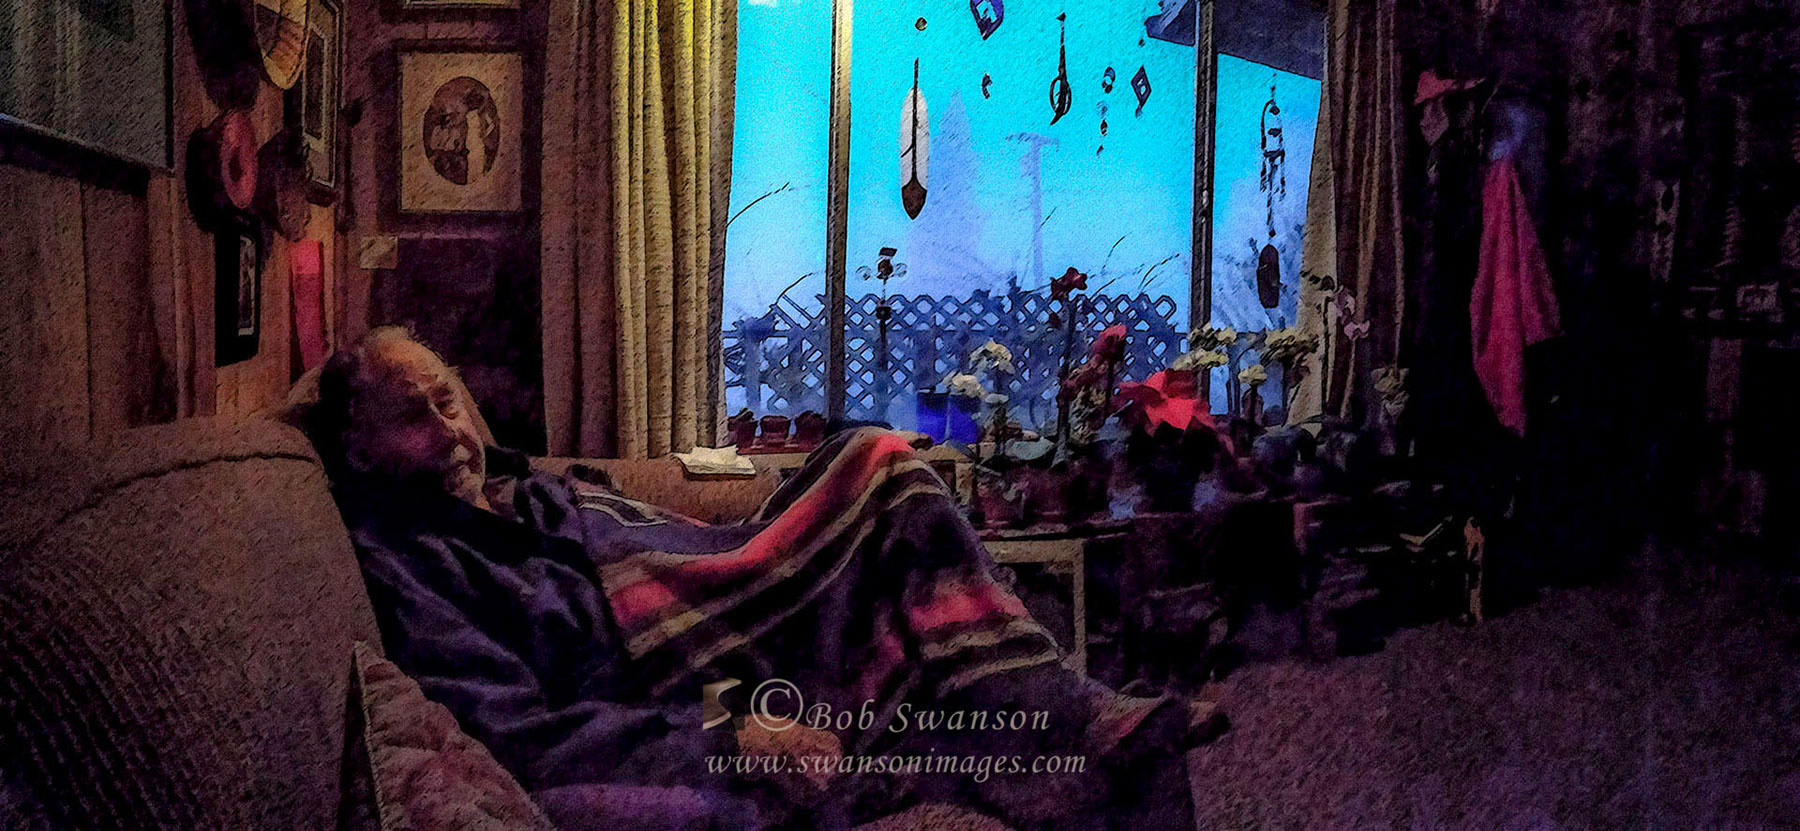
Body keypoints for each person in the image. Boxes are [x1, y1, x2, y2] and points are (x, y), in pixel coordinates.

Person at [292, 327, 1219, 830]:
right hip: (690, 676)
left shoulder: (523, 489)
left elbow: (672, 544)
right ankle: (1053, 707)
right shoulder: (410, 567)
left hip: (732, 599)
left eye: (448, 399)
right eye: (413, 416)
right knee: (878, 460)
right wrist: (732, 729)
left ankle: (1051, 710)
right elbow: (528, 732)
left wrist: (762, 547)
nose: (451, 429)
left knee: (884, 486)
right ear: (359, 450)